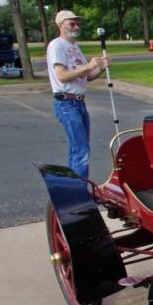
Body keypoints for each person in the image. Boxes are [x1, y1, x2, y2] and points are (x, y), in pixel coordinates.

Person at [46, 10, 110, 179]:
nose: (76, 26)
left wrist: (101, 67)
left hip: (79, 103)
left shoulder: (74, 47)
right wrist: (89, 66)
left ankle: (75, 187)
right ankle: (80, 191)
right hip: (67, 103)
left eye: (77, 23)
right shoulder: (57, 46)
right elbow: (62, 75)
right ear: (61, 25)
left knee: (80, 149)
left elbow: (87, 77)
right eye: (71, 23)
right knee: (81, 150)